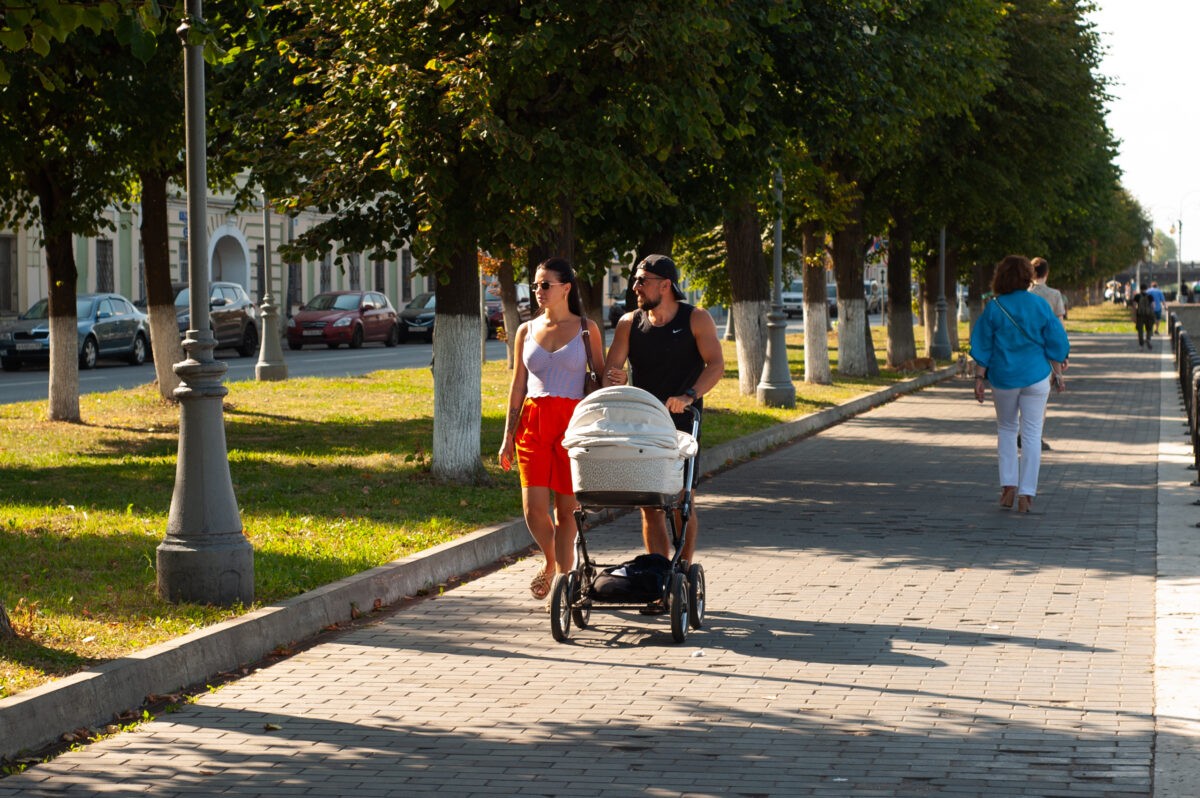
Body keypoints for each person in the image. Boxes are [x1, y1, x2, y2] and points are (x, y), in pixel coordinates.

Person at [602, 254, 724, 590]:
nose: (636, 287)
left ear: (665, 285)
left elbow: (715, 364)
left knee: (682, 501)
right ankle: (659, 577)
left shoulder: (696, 319)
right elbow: (611, 372)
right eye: (635, 281)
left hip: (682, 424)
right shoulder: (630, 322)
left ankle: (682, 573)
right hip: (643, 424)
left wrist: (688, 396)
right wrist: (615, 377)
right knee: (649, 505)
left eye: (643, 280)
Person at [499, 257, 605, 603]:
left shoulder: (586, 329)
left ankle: (563, 581)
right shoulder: (526, 330)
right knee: (533, 508)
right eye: (535, 285)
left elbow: (602, 379)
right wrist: (507, 438)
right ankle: (550, 562)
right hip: (532, 424)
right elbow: (517, 386)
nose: (538, 291)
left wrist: (616, 381)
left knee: (566, 511)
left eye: (545, 284)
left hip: (572, 426)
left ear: (566, 288)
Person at [970, 255, 1070, 514]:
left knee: (1006, 428)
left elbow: (983, 345)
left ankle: (1008, 487)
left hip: (1004, 378)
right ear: (1027, 277)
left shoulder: (994, 307)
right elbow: (1056, 339)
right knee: (1032, 434)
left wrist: (979, 378)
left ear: (1000, 277)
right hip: (1036, 377)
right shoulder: (1039, 305)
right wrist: (1058, 367)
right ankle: (1027, 493)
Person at [1028, 257, 1067, 452]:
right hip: (1046, 352)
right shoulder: (1054, 295)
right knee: (1041, 397)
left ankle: (1023, 431)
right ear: (1047, 273)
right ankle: (1036, 436)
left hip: (1024, 349)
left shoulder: (1024, 295)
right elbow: (1059, 327)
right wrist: (1063, 354)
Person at [1131, 283, 1156, 349]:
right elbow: (1153, 306)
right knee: (1149, 329)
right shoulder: (1150, 296)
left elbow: (1134, 306)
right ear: (1146, 289)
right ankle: (1148, 339)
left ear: (1140, 289)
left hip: (1140, 315)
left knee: (1140, 330)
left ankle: (1141, 344)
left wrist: (1134, 316)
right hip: (1149, 315)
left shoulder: (1137, 296)